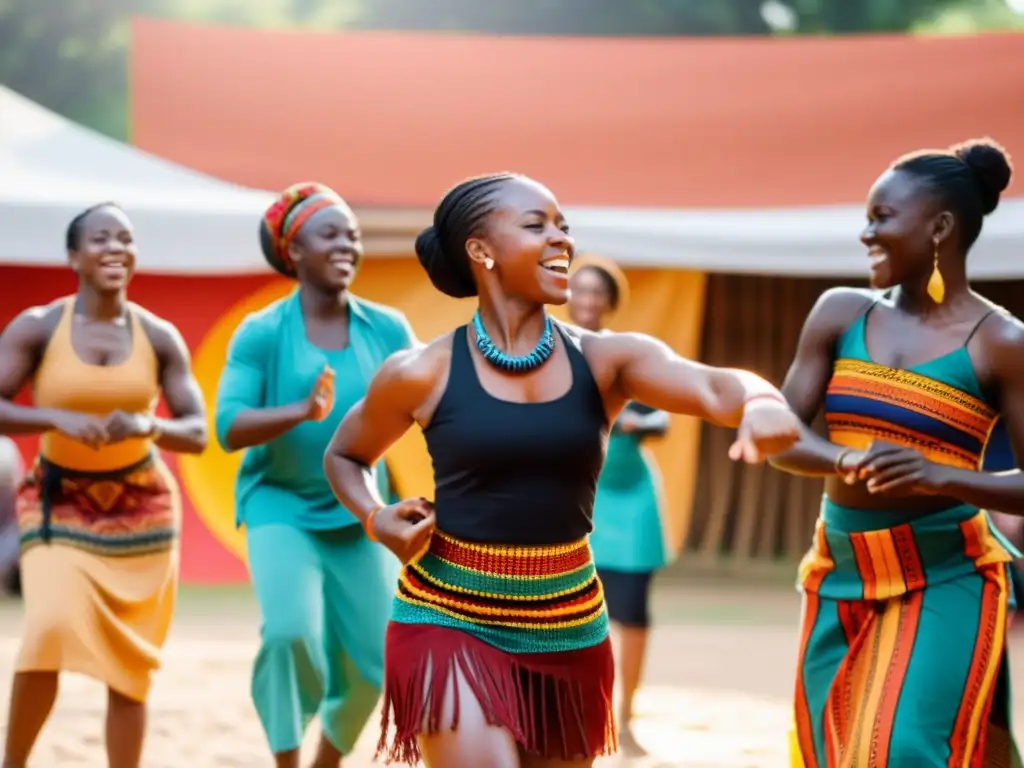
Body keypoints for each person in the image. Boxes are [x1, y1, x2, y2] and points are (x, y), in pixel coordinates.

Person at [322, 172, 801, 768]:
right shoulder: (421, 370)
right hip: (448, 617)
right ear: (481, 250)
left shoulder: (607, 360)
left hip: (568, 624)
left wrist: (759, 403)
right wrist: (374, 516)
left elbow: (710, 383)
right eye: (536, 225)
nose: (561, 240)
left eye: (564, 227)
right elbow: (344, 455)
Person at [770, 138, 1022, 766]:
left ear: (940, 228)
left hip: (946, 571)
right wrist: (842, 460)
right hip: (839, 570)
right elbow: (779, 433)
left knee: (901, 749)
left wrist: (942, 476)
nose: (865, 234)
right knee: (829, 747)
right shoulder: (838, 312)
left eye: (882, 218)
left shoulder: (1001, 342)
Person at [214, 182, 416, 768]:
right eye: (330, 233)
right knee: (289, 634)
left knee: (373, 666)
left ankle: (325, 762)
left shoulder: (388, 330)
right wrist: (301, 411)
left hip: (360, 510)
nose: (346, 244)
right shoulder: (262, 332)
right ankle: (286, 761)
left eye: (352, 234)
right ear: (293, 251)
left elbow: (435, 395)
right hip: (280, 504)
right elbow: (229, 426)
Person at [0, 202, 208, 768]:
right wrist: (54, 419)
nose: (115, 247)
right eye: (100, 239)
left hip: (143, 509)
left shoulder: (158, 336)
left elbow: (197, 432)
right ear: (74, 256)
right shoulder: (39, 327)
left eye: (125, 238)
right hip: (58, 500)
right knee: (46, 628)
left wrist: (148, 423)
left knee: (130, 660)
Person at [566, 254, 670, 756]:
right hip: (577, 498)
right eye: (579, 290)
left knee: (631, 613)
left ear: (609, 301)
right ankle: (576, 712)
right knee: (571, 611)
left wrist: (633, 423)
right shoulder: (552, 349)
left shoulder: (624, 353)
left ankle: (624, 719)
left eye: (596, 293)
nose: (587, 300)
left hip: (632, 502)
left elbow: (662, 421)